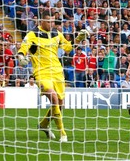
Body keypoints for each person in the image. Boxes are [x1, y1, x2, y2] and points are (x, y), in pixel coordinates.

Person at [17, 10, 89, 142]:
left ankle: (44, 125)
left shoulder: (57, 34)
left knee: (60, 103)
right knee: (53, 96)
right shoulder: (33, 34)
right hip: (41, 73)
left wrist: (79, 38)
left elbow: (68, 48)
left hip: (57, 72)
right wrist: (21, 56)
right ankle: (63, 133)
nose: (51, 24)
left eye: (53, 21)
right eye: (48, 21)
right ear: (41, 21)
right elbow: (23, 48)